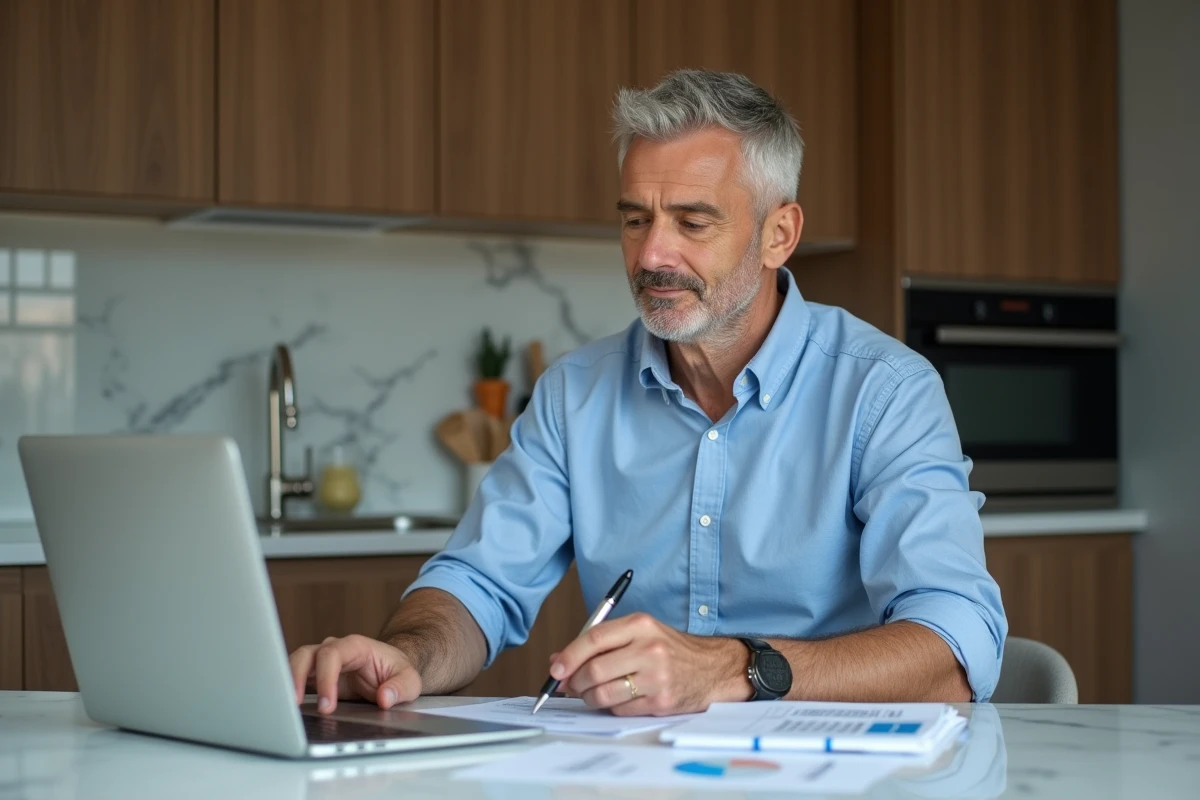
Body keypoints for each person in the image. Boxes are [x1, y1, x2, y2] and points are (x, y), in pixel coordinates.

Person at [289, 69, 1007, 717]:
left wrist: (736, 669)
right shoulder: (573, 394)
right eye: (636, 219)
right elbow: (479, 584)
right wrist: (407, 656)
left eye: (693, 222)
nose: (653, 254)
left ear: (779, 234)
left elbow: (957, 646)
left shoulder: (884, 391)